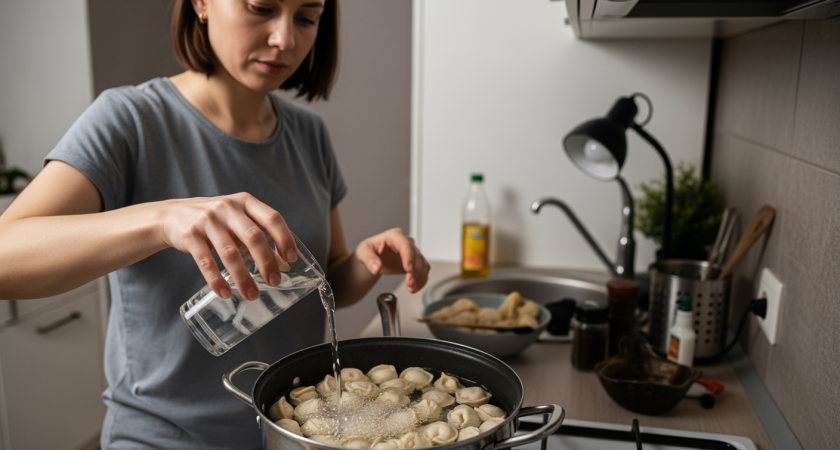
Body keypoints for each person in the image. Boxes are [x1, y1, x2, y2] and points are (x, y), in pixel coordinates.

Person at [0, 0, 429, 448]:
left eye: (306, 18)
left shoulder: (309, 134)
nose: (285, 39)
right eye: (261, 7)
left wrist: (365, 262)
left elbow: (319, 283)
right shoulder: (129, 120)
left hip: (290, 433)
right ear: (201, 4)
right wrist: (161, 220)